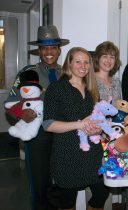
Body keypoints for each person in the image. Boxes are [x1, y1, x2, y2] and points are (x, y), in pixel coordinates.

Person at [3, 25, 69, 210]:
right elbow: (10, 104)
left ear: (58, 49)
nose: (49, 52)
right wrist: (21, 114)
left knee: (60, 184)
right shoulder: (28, 72)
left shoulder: (67, 72)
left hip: (62, 135)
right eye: (45, 48)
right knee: (40, 185)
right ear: (39, 51)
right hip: (37, 136)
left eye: (53, 47)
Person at [42, 47, 109, 210]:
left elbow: (98, 118)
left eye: (86, 62)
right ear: (69, 64)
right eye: (78, 61)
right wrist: (80, 124)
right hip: (67, 155)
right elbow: (48, 124)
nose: (83, 65)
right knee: (67, 202)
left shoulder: (92, 90)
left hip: (92, 154)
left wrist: (98, 129)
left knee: (102, 192)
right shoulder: (56, 89)